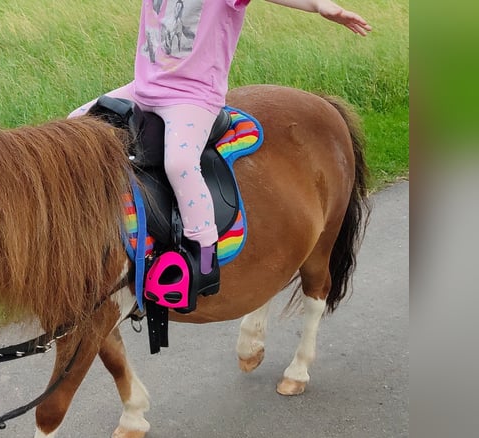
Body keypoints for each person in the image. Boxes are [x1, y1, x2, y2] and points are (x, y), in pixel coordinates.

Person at [69, 0, 371, 311]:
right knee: (73, 126)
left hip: (192, 97)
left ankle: (202, 255)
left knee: (180, 163)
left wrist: (321, 6)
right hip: (144, 90)